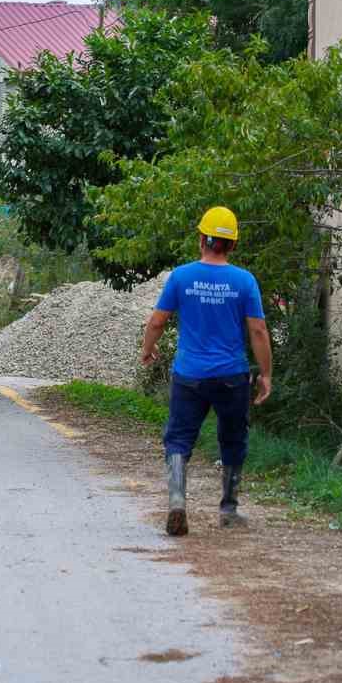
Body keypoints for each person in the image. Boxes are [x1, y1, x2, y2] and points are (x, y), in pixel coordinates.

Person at [140, 206, 272, 536]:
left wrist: (148, 349)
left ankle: (176, 501)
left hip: (189, 375)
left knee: (179, 437)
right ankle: (228, 509)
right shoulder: (244, 281)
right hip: (232, 376)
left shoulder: (181, 277)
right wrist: (266, 374)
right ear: (233, 245)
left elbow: (157, 321)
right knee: (233, 438)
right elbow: (257, 329)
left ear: (201, 239)